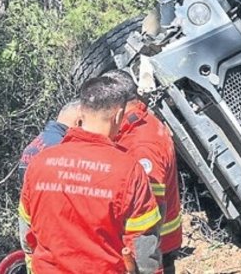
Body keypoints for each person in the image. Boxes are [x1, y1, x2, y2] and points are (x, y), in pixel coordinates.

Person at [19, 76, 162, 273]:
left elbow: (26, 231)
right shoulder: (128, 170)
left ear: (81, 113)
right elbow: (143, 244)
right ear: (119, 115)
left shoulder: (39, 163)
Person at [101, 70, 182, 274]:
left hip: (152, 247)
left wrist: (135, 259)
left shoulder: (140, 145)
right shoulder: (140, 124)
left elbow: (147, 207)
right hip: (154, 241)